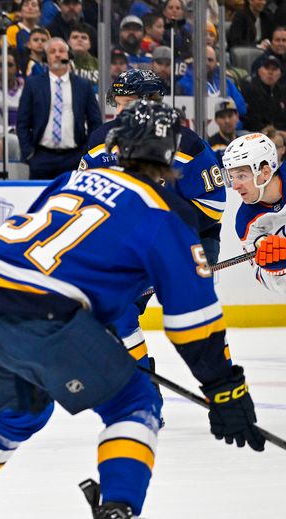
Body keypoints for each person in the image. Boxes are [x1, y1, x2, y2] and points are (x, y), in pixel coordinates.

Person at [0, 99, 265, 519]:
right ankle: (117, 512)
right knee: (136, 401)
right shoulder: (164, 218)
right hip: (43, 314)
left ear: (116, 143)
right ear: (170, 158)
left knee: (19, 413)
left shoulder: (70, 180)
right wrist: (224, 387)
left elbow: (50, 247)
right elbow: (194, 323)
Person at [79, 70, 226, 373]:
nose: (120, 111)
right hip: (133, 245)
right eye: (117, 103)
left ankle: (224, 386)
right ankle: (143, 386)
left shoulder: (187, 144)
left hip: (190, 240)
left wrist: (158, 234)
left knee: (194, 319)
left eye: (128, 103)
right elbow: (86, 199)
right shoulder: (98, 142)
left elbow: (212, 206)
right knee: (116, 310)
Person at [17, 37, 102, 180]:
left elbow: (95, 121)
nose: (57, 55)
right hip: (41, 157)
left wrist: (87, 151)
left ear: (69, 56)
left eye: (62, 51)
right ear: (46, 58)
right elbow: (22, 122)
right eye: (52, 52)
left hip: (74, 157)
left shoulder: (83, 85)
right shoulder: (33, 85)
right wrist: (29, 153)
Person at [223, 133, 286, 294]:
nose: (235, 186)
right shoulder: (246, 222)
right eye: (232, 177)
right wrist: (278, 268)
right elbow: (269, 281)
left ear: (265, 172)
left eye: (241, 176)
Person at [177, 46, 247, 120]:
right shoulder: (183, 82)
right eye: (202, 59)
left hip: (228, 128)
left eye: (210, 60)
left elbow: (242, 109)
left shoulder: (226, 82)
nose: (206, 63)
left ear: (216, 63)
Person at [240, 54, 286, 131]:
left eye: (274, 69)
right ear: (259, 71)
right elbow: (251, 119)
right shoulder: (250, 89)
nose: (270, 72)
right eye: (267, 68)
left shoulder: (282, 91)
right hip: (255, 133)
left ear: (280, 73)